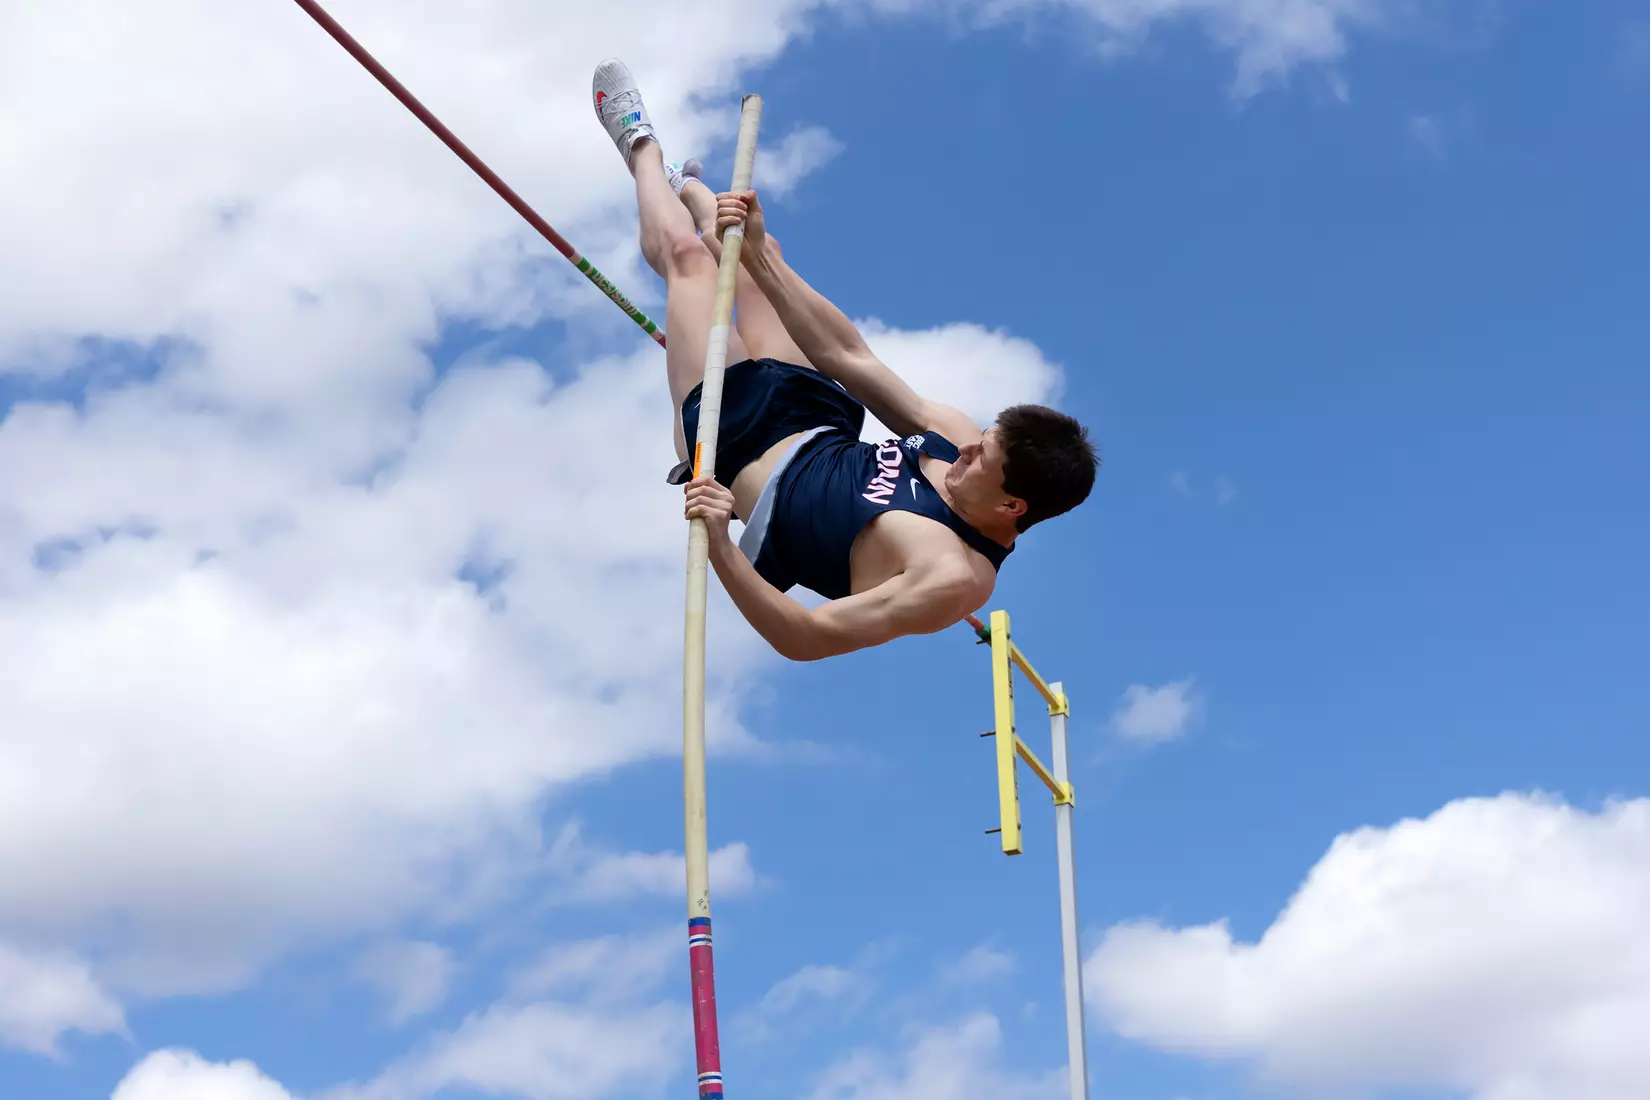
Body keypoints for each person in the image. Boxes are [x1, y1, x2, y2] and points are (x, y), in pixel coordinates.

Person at [593, 59, 1098, 661]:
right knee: (752, 249)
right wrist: (760, 256)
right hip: (816, 411)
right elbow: (846, 355)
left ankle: (640, 145)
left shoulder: (951, 576)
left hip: (735, 443)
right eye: (982, 438)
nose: (968, 444)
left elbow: (805, 637)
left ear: (1013, 506)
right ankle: (691, 189)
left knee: (689, 256)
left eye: (983, 456)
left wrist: (721, 543)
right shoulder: (960, 438)